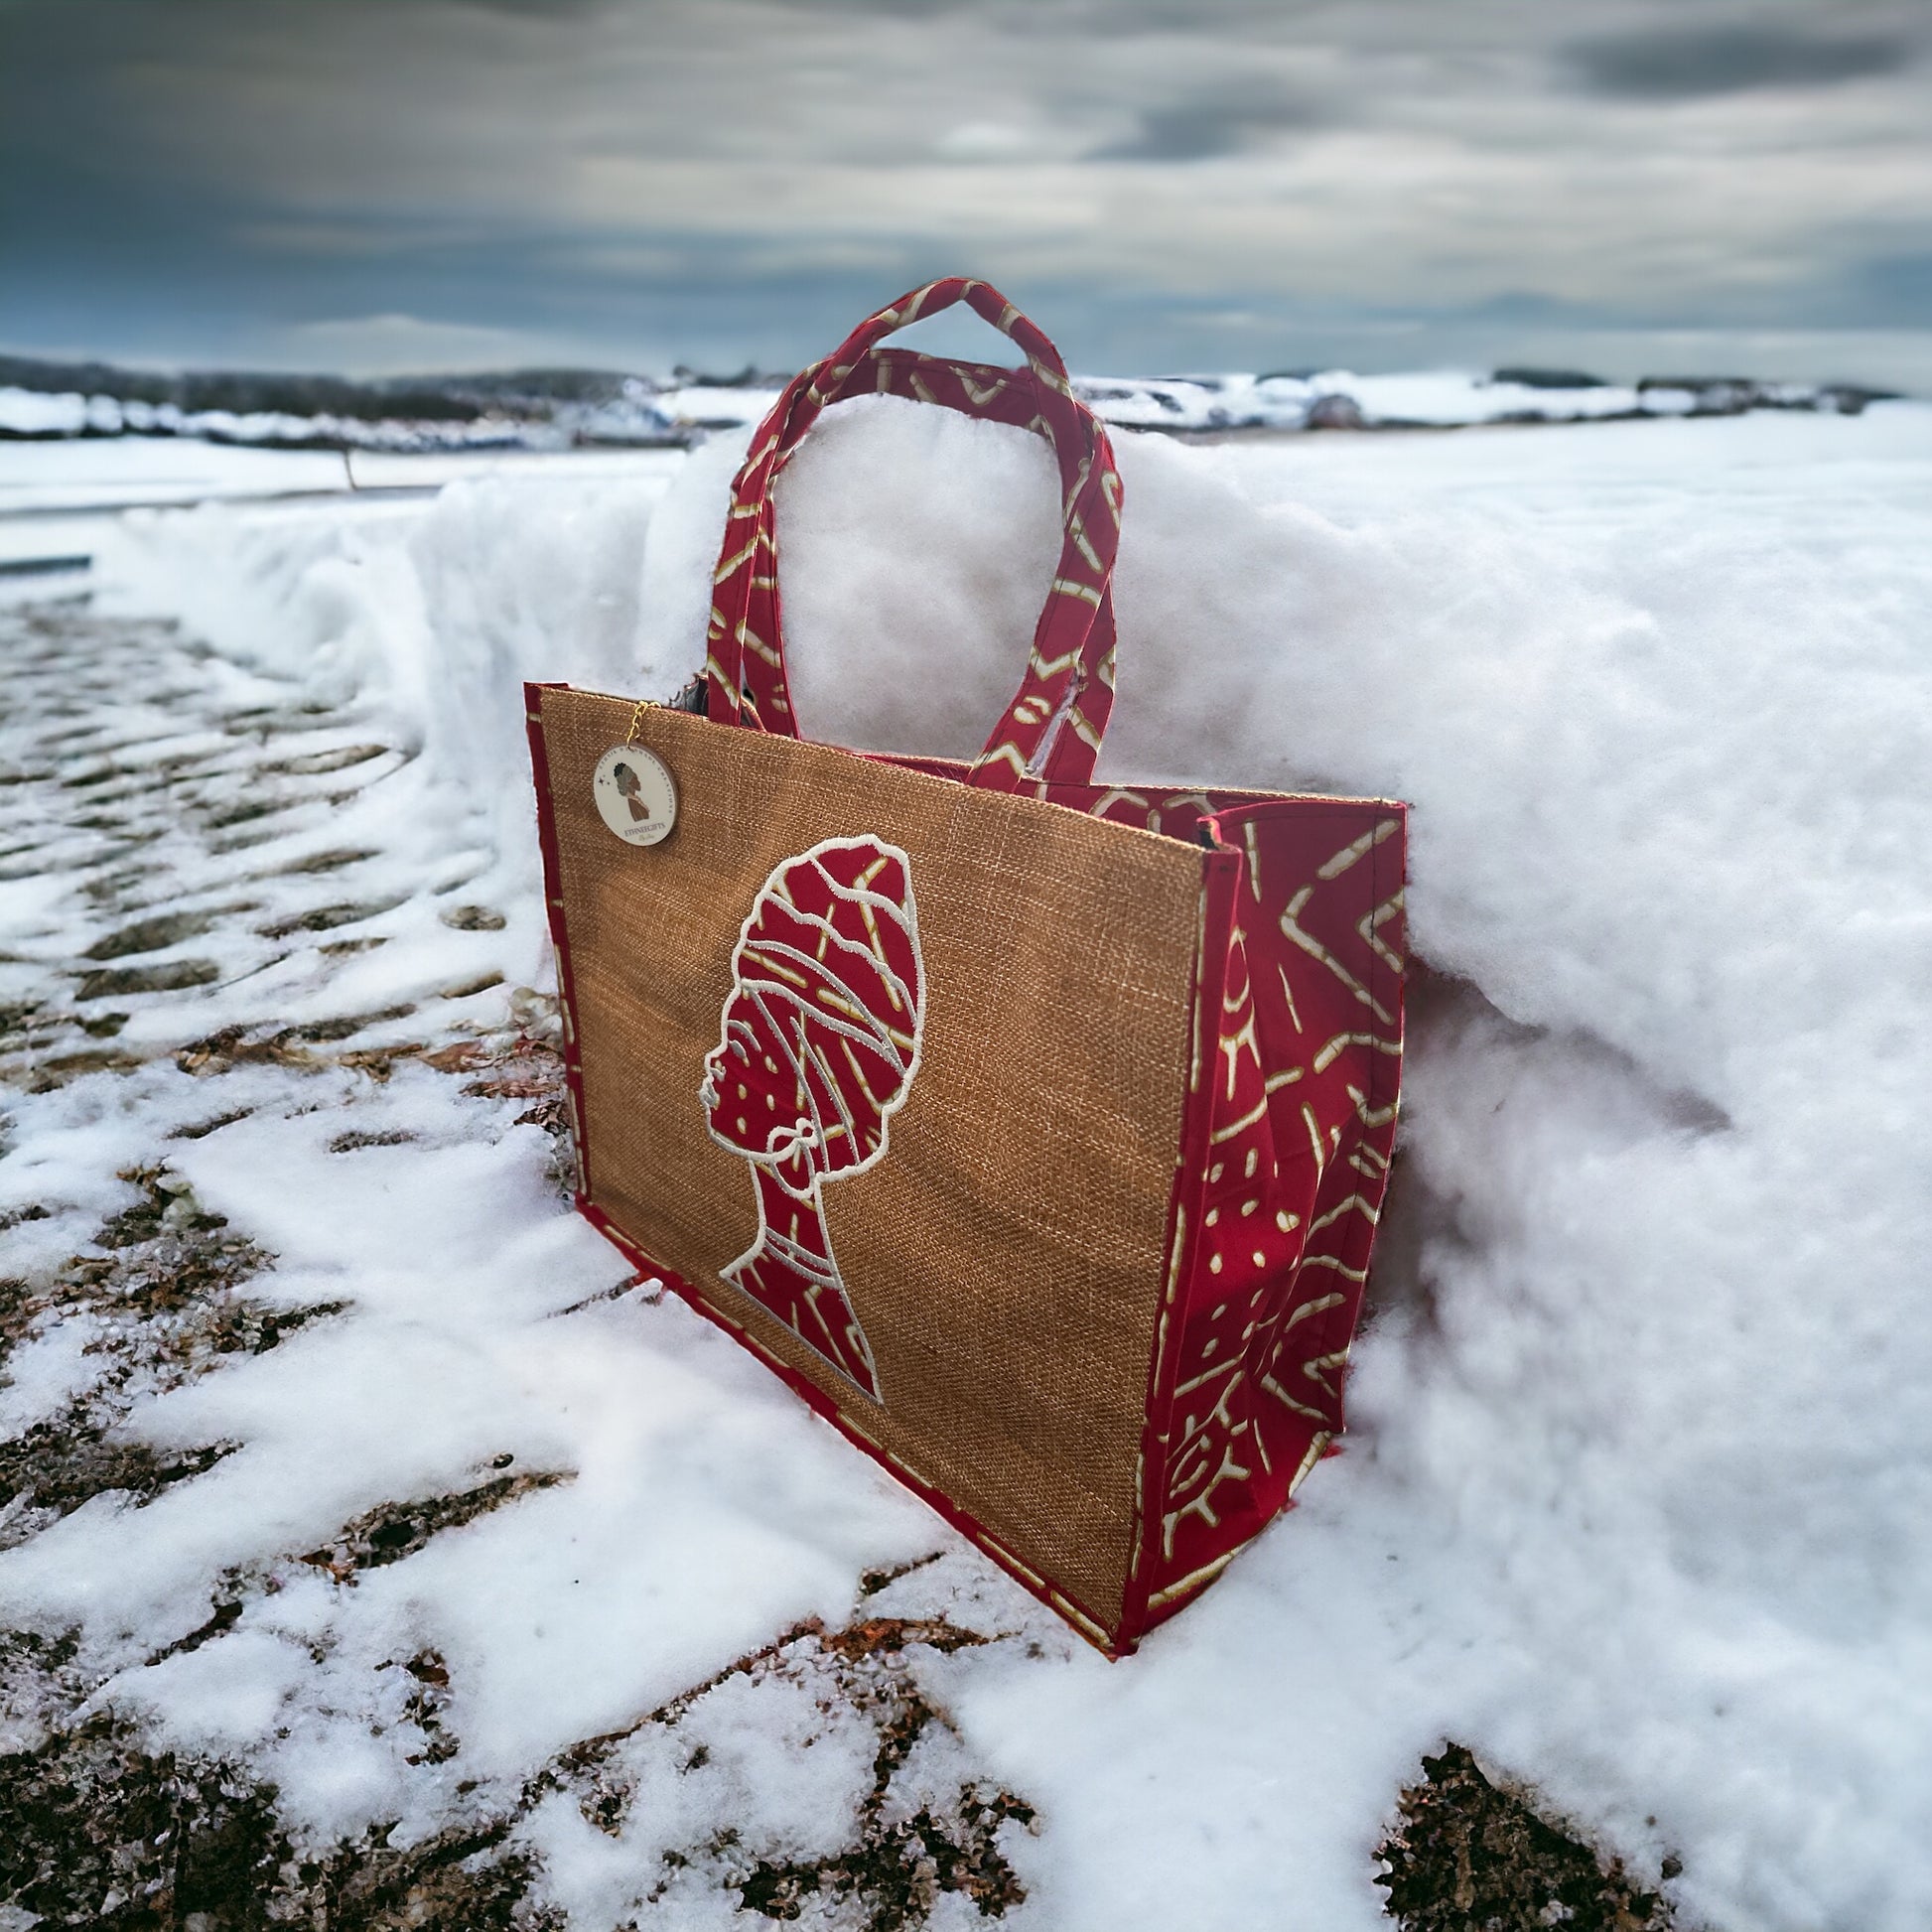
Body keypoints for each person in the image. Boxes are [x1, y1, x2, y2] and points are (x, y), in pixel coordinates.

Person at [698, 836, 923, 1401]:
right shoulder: (768, 1279)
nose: (714, 1062)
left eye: (741, 1049)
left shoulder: (833, 1330)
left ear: (800, 1128)